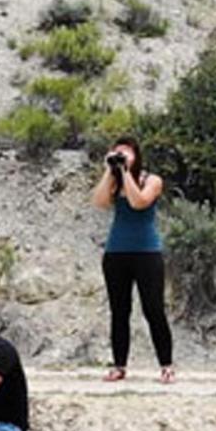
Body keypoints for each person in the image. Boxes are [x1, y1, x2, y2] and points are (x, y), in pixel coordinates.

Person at [90, 136, 175, 384]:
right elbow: (99, 202)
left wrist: (126, 172)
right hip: (116, 252)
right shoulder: (115, 183)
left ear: (137, 155)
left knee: (153, 309)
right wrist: (109, 171)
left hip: (147, 253)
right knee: (119, 311)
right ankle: (119, 365)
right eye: (118, 152)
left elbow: (139, 202)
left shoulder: (152, 180)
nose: (122, 156)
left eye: (126, 152)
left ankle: (166, 365)